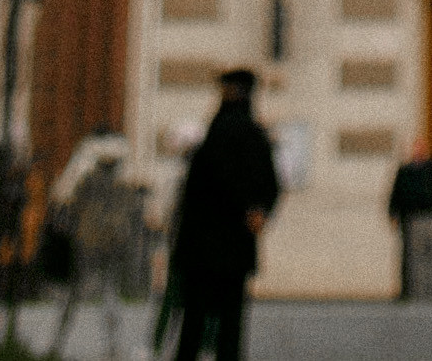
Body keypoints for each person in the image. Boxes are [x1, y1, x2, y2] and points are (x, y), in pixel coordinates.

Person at [166, 67, 280, 359]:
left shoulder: (213, 136)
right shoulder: (255, 135)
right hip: (235, 242)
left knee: (194, 321)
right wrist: (258, 211)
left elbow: (197, 190)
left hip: (202, 245)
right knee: (231, 323)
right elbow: (270, 183)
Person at [52, 132, 144, 360]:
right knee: (109, 293)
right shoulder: (122, 186)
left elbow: (68, 203)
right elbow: (132, 212)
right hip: (112, 243)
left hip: (89, 243)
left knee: (76, 293)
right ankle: (111, 346)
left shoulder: (87, 181)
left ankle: (58, 342)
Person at [388, 137, 432, 300]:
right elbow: (396, 194)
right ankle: (417, 292)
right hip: (414, 218)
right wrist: (393, 213)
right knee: (416, 259)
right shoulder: (405, 171)